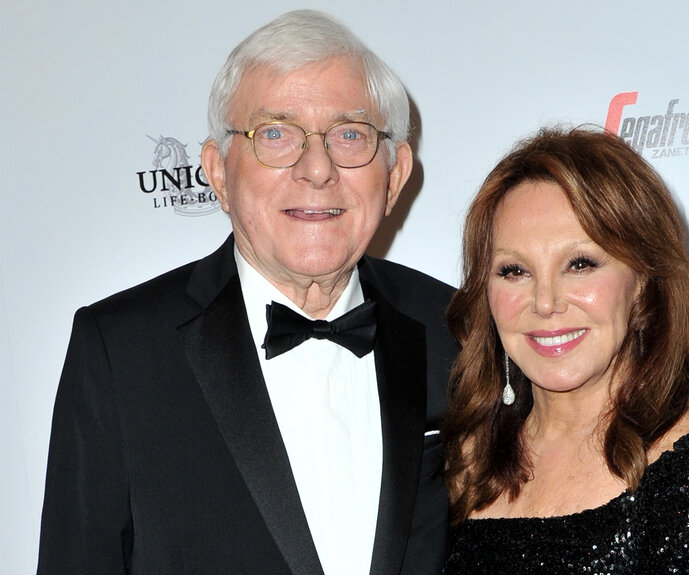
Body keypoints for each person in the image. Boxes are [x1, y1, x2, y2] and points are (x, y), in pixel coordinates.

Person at [37, 10, 456, 575]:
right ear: (217, 171)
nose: (316, 169)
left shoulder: (458, 329)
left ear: (396, 173)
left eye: (350, 135)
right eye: (275, 134)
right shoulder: (120, 351)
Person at [442, 127, 689, 573]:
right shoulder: (448, 471)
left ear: (643, 281)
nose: (546, 302)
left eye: (580, 264)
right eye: (514, 271)